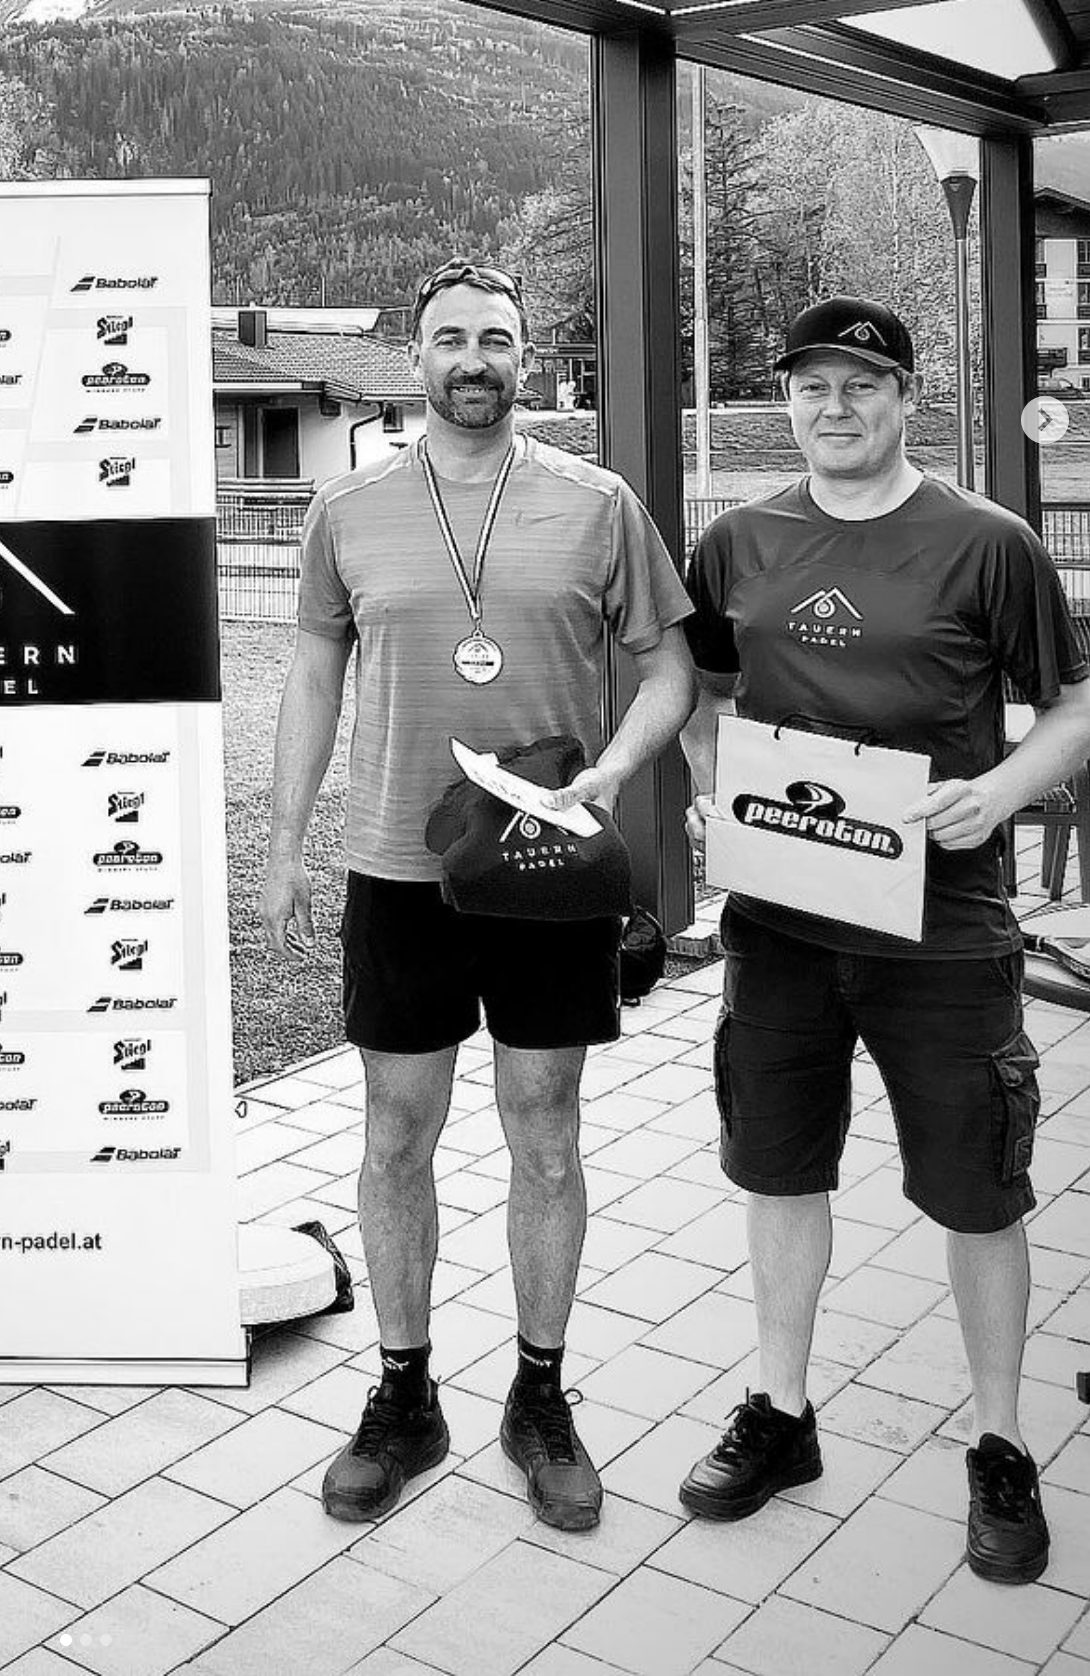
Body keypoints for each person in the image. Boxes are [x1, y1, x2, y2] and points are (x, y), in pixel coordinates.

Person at [264, 259, 695, 1529]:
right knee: (394, 1131)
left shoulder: (596, 502)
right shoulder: (345, 507)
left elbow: (669, 671)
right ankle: (403, 1395)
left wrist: (611, 774)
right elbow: (309, 677)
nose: (472, 359)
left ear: (524, 355)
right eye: (449, 337)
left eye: (494, 339)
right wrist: (284, 844)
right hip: (399, 868)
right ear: (414, 356)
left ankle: (538, 1395)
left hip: (545, 873)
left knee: (544, 1127)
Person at [678, 294, 1090, 1584]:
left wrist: (1000, 791)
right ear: (785, 399)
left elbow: (1071, 705)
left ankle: (998, 1443)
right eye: (810, 384)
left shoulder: (986, 542)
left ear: (907, 397)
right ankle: (780, 1411)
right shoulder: (734, 542)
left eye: (861, 383)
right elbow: (698, 689)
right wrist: (706, 784)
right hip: (779, 927)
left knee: (978, 1190)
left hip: (943, 930)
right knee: (776, 1170)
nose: (834, 405)